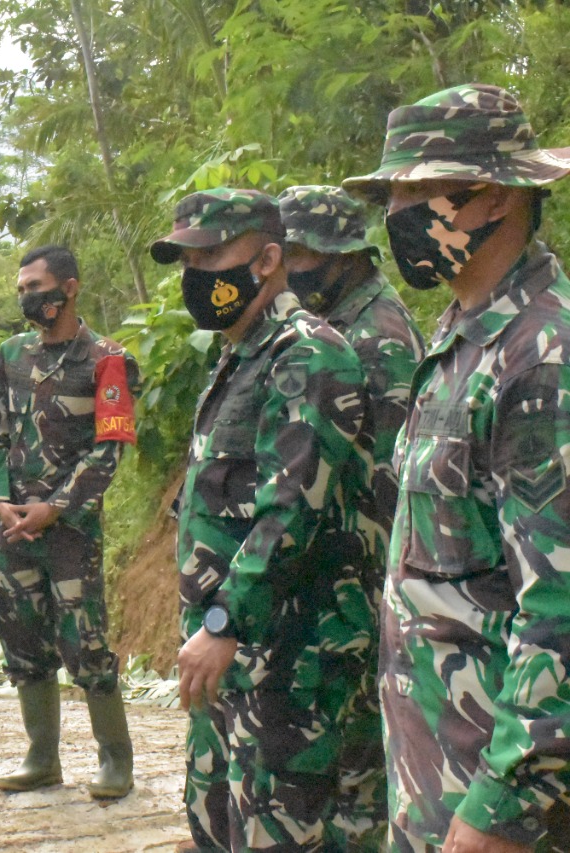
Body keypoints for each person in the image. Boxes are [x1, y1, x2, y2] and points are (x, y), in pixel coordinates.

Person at [343, 83, 570, 853]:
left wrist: (498, 812)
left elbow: (560, 614)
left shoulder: (542, 358)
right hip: (434, 775)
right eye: (393, 191)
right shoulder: (460, 337)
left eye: (420, 188)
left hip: (495, 807)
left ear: (498, 196)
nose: (398, 210)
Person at [150, 189, 369, 850]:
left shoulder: (308, 356)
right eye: (188, 258)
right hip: (234, 663)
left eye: (212, 254)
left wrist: (225, 619)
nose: (197, 273)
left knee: (283, 832)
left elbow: (293, 507)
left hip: (288, 661)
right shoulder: (237, 357)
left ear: (269, 258)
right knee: (217, 824)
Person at [278, 184, 427, 850]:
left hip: (360, 584)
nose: (291, 268)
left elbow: (387, 483)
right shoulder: (343, 322)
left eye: (303, 252)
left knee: (358, 775)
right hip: (338, 577)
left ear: (341, 253)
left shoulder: (379, 339)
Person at [0, 244, 142, 800]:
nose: (27, 296)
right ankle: (41, 758)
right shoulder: (9, 354)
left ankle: (115, 760)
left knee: (86, 644)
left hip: (70, 532)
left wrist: (57, 507)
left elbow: (108, 449)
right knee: (22, 641)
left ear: (69, 287)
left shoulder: (107, 359)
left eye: (36, 286)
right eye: (21, 288)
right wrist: (0, 501)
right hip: (14, 529)